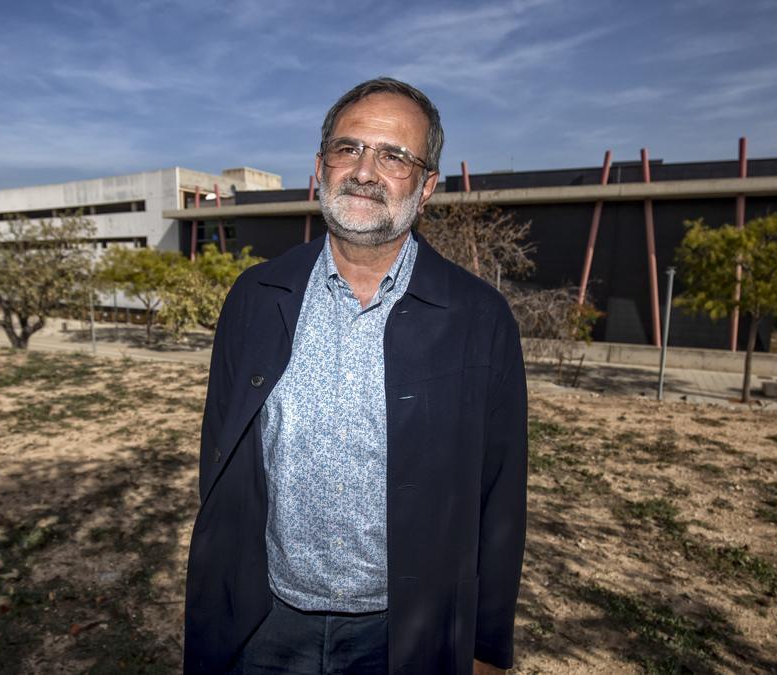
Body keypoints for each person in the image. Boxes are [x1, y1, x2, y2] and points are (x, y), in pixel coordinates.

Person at [184, 77, 527, 674]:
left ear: (425, 189)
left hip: (404, 636)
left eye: (394, 156)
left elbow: (500, 498)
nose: (366, 171)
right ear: (320, 168)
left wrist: (487, 647)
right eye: (349, 149)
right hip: (264, 626)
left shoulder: (479, 318)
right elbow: (217, 467)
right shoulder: (254, 297)